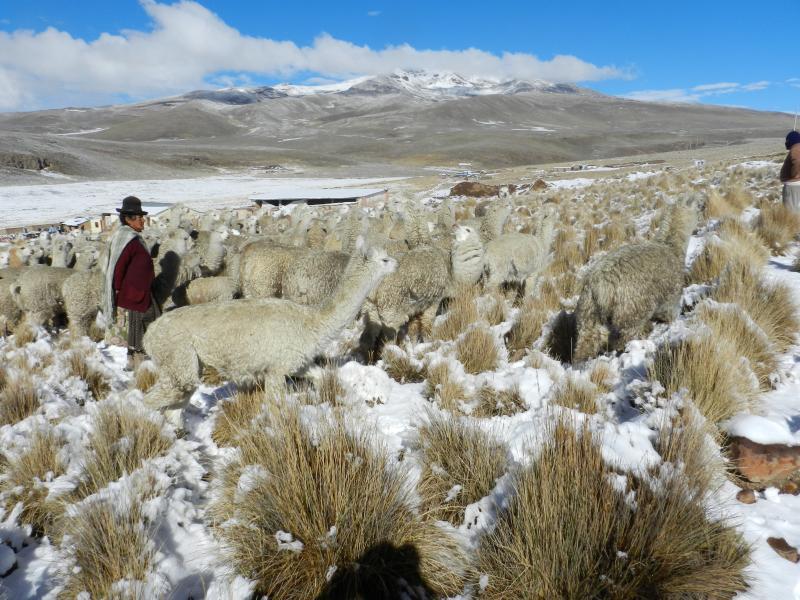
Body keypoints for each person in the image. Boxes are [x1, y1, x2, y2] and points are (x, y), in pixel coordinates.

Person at [101, 196, 160, 369]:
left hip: (140, 292)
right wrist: (120, 291)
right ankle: (140, 365)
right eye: (139, 217)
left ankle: (137, 362)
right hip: (133, 295)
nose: (143, 220)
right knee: (140, 329)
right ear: (128, 219)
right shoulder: (126, 239)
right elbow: (118, 267)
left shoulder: (133, 238)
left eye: (142, 217)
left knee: (144, 326)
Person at [781, 130, 800, 212]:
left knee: (791, 212)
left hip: (793, 186)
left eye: (787, 140)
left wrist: (796, 174)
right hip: (796, 185)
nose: (786, 143)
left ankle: (794, 224)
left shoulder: (795, 148)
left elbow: (798, 161)